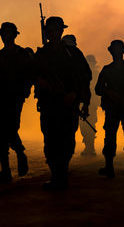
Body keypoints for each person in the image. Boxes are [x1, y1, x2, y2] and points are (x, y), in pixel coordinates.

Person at [34, 16, 91, 190]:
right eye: (49, 30)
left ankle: (62, 174)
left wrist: (75, 94)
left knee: (66, 142)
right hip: (49, 105)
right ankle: (56, 176)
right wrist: (39, 81)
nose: (53, 33)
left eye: (56, 29)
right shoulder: (42, 54)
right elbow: (31, 73)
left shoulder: (73, 53)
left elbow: (85, 76)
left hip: (68, 105)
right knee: (50, 142)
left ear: (61, 31)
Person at [0, 22, 34, 183]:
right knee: (0, 132)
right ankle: (5, 170)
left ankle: (20, 153)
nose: (5, 36)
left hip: (14, 98)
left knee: (11, 130)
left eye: (8, 33)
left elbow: (29, 75)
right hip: (0, 98)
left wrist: (23, 92)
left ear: (14, 35)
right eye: (3, 33)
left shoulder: (21, 54)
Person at [95, 40, 124, 177]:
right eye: (114, 50)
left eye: (119, 50)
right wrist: (109, 93)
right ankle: (110, 165)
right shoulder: (107, 70)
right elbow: (98, 89)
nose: (116, 52)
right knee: (110, 136)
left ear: (123, 51)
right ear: (111, 52)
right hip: (112, 108)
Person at [80, 54, 99, 156]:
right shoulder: (84, 74)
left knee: (89, 126)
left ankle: (90, 147)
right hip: (84, 103)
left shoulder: (94, 74)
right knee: (84, 127)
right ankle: (89, 147)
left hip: (91, 105)